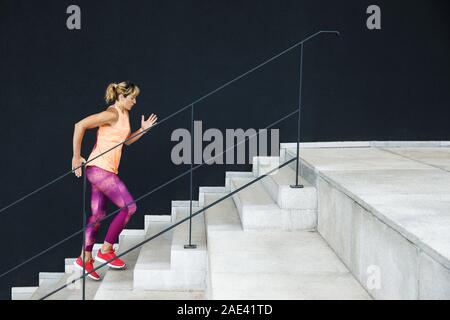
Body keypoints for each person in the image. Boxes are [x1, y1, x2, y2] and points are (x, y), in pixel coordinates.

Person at [71, 81, 157, 280]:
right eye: (132, 97)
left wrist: (143, 130)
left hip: (103, 170)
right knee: (129, 207)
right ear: (121, 97)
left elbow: (125, 141)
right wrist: (76, 156)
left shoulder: (125, 115)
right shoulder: (112, 114)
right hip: (100, 169)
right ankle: (106, 250)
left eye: (135, 97)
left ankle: (85, 258)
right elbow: (80, 125)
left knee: (98, 214)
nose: (135, 101)